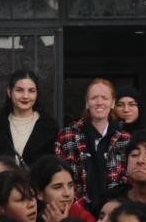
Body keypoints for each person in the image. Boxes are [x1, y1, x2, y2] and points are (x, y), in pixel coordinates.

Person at [54, 77, 133, 209]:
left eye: (104, 98)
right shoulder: (67, 136)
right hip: (76, 210)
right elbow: (60, 177)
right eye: (94, 98)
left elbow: (129, 180)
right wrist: (80, 210)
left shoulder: (126, 139)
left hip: (115, 212)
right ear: (87, 103)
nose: (99, 102)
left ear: (113, 103)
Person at [0, 69, 51, 167]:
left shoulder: (50, 127)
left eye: (31, 91)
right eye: (19, 90)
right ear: (9, 92)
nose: (25, 96)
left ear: (37, 94)